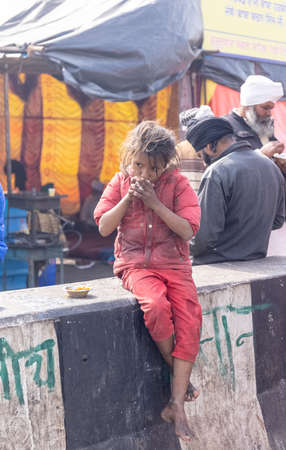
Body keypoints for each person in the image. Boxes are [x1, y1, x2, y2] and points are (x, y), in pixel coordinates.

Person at [94, 120, 202, 441]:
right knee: (155, 305)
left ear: (163, 166)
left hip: (176, 266)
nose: (142, 173)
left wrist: (156, 203)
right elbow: (103, 226)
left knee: (190, 321)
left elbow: (188, 229)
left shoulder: (178, 184)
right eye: (137, 164)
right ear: (129, 157)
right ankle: (179, 378)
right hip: (135, 266)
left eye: (151, 168)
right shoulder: (120, 181)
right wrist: (128, 199)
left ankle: (175, 404)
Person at [186, 117, 285, 265]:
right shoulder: (271, 166)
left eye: (201, 155)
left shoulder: (216, 172)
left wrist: (182, 249)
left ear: (209, 146)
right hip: (256, 259)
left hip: (217, 263)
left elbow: (204, 236)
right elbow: (277, 221)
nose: (202, 161)